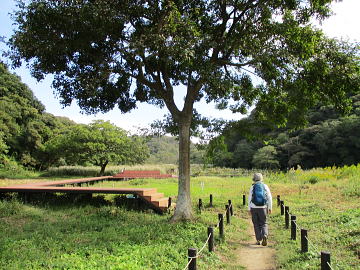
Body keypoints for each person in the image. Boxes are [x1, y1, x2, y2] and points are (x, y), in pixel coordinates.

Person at [248, 172, 272, 246]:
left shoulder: (252, 187)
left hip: (254, 207)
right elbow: (269, 197)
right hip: (263, 207)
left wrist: (249, 209)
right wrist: (270, 207)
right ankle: (265, 235)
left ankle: (258, 240)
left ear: (254, 179)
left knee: (256, 224)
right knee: (264, 223)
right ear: (261, 179)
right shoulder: (265, 186)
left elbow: (249, 198)